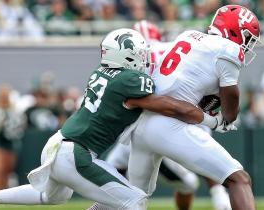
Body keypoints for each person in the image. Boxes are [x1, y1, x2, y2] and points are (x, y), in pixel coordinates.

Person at [0, 28, 222, 210]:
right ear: (127, 56)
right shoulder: (130, 80)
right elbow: (167, 105)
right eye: (141, 54)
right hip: (76, 152)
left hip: (58, 143)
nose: (145, 59)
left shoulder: (103, 73)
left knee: (51, 197)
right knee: (135, 200)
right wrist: (208, 118)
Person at [125, 5, 260, 210]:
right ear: (235, 30)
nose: (248, 45)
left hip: (142, 124)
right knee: (239, 178)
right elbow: (231, 107)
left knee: (129, 199)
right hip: (169, 125)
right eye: (248, 38)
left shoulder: (189, 35)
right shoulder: (228, 49)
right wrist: (224, 120)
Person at [99, 20, 232, 210]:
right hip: (168, 123)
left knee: (116, 181)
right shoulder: (177, 48)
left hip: (137, 126)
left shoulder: (132, 57)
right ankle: (219, 196)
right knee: (190, 180)